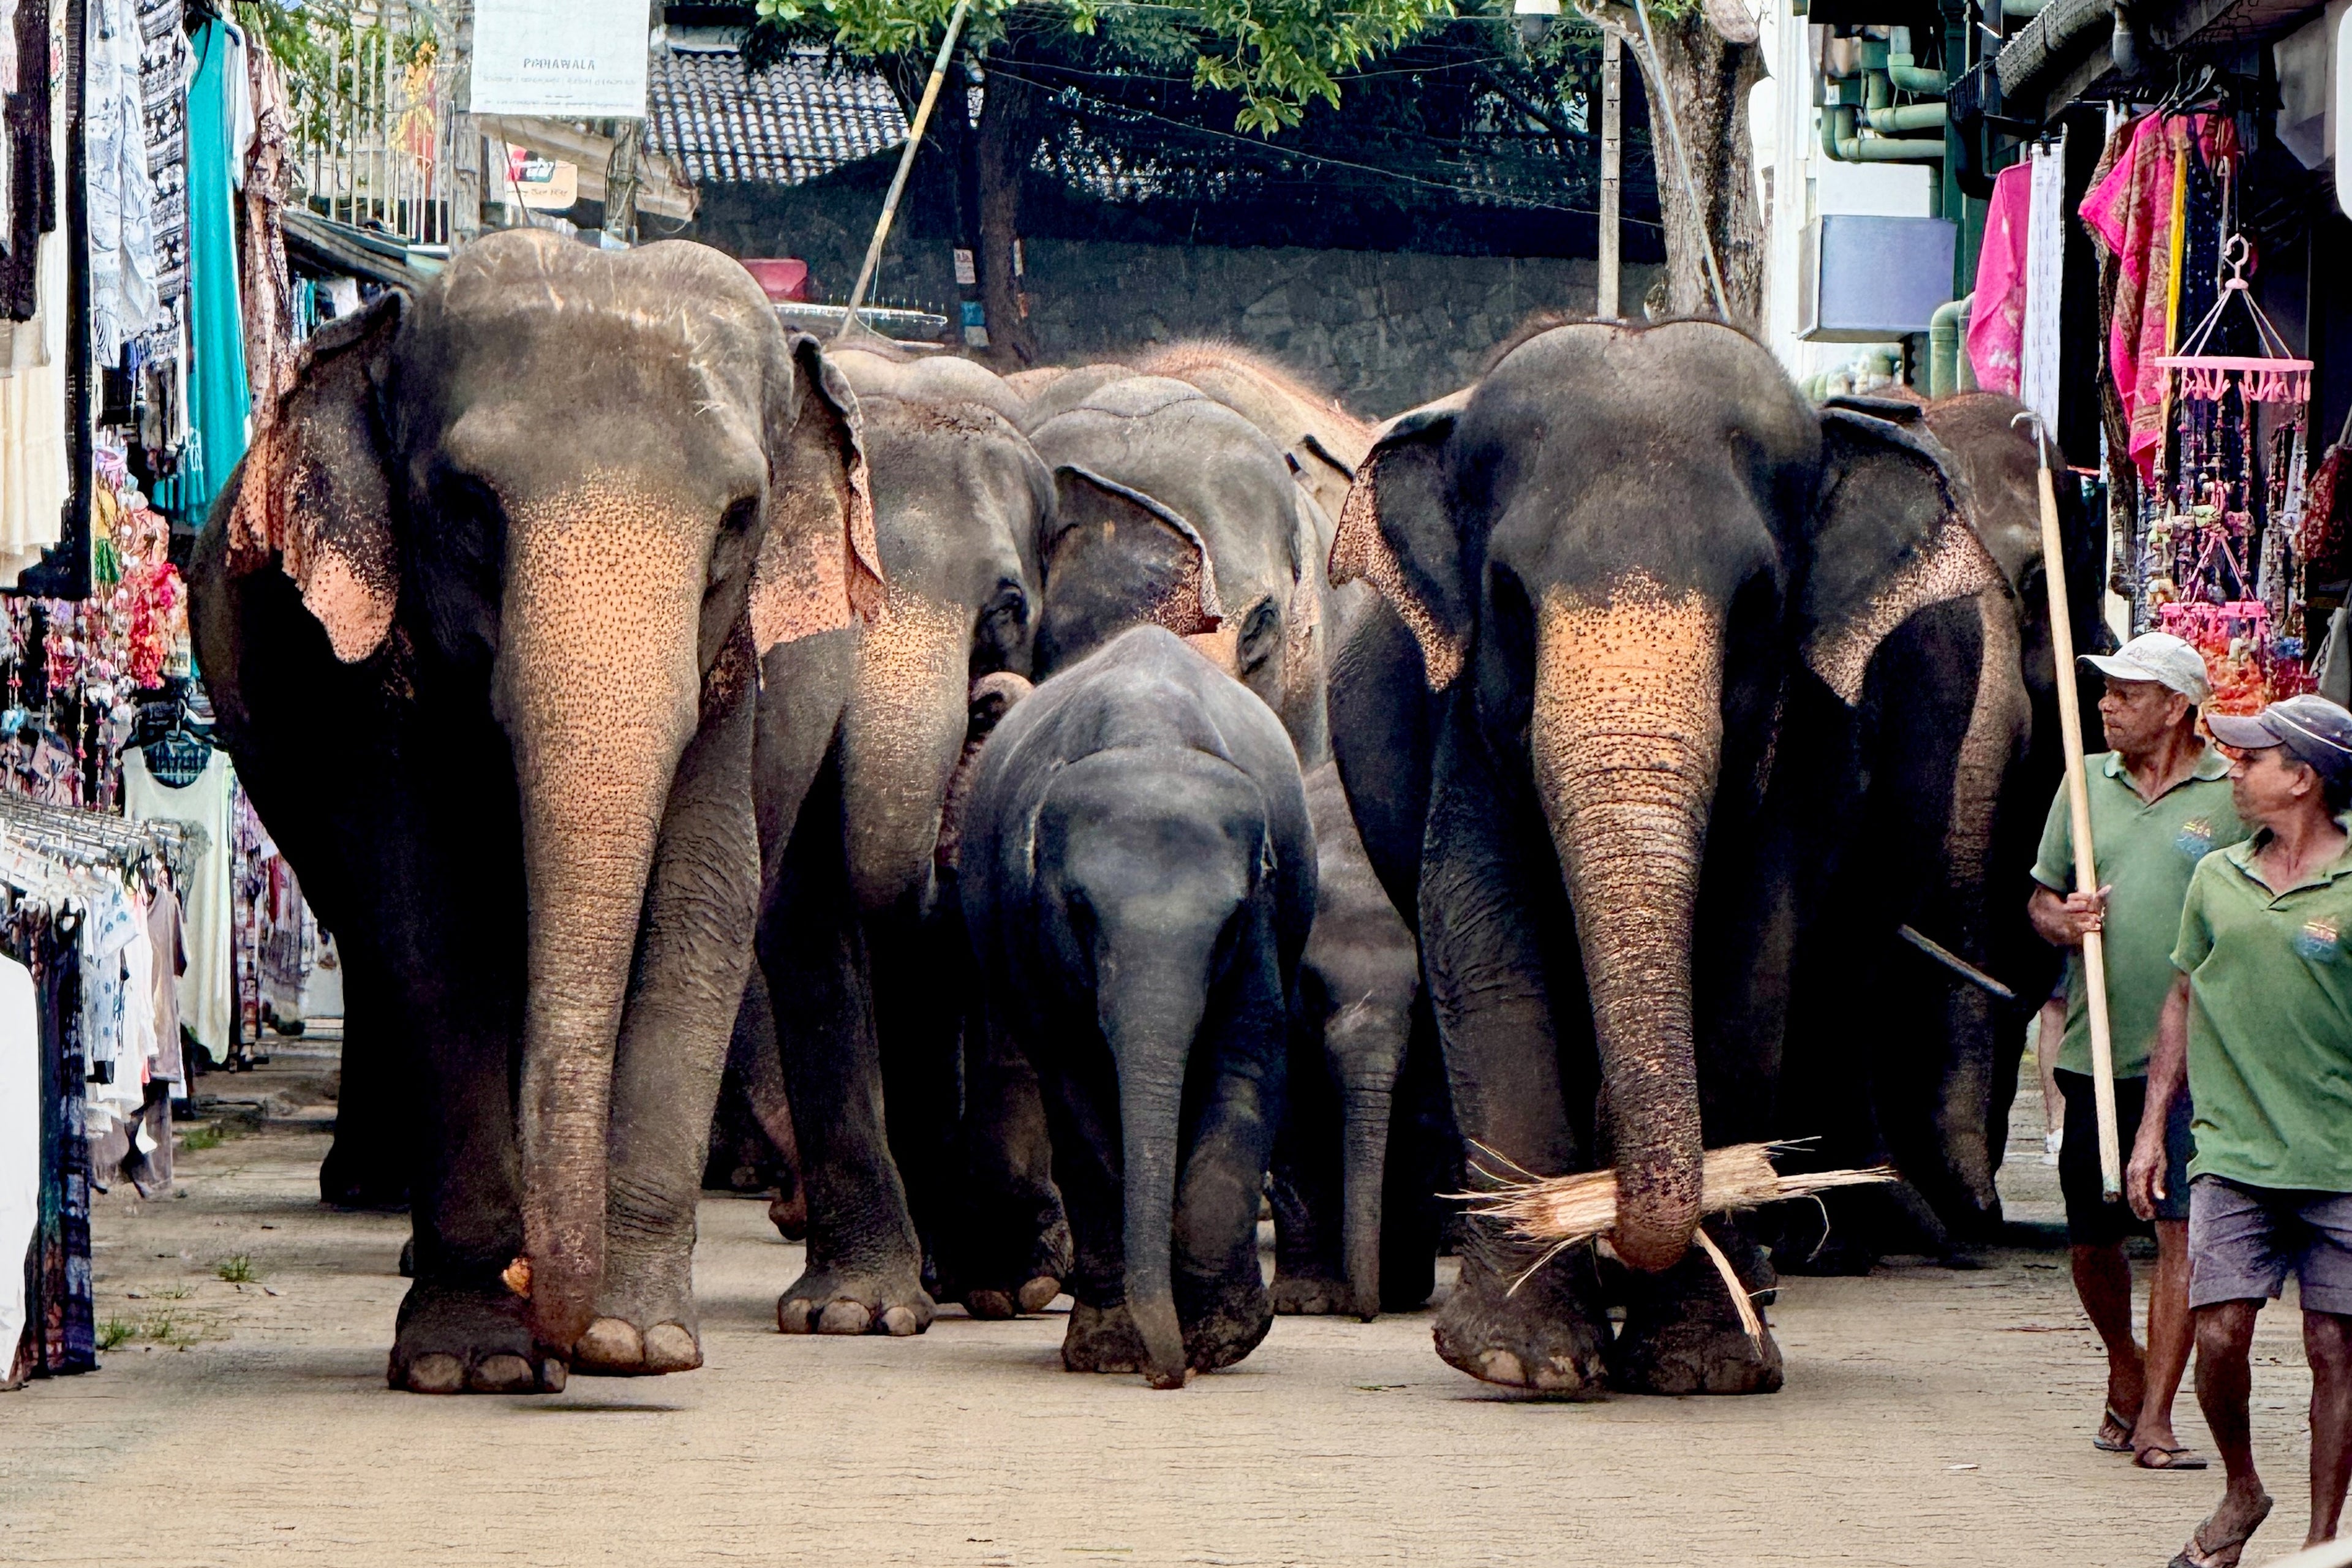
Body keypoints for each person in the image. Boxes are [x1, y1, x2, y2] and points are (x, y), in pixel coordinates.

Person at [2131, 693, 2352, 1568]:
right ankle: (2241, 1487)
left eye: (2252, 759)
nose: (2232, 769)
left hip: (2339, 1157)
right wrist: (2154, 1131)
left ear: (2303, 778)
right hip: (2228, 1149)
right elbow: (2181, 998)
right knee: (2219, 1332)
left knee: (2336, 1347)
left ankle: (2323, 1535)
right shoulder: (2214, 877)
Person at [2029, 632, 2245, 1469]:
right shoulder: (2084, 785)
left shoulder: (2233, 794)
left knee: (2181, 1230)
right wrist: (2065, 919)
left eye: (2127, 692)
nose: (2108, 704)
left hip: (2200, 1056)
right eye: (2106, 690)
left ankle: (2156, 1412)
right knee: (2094, 1239)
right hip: (2097, 1046)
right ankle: (2126, 1362)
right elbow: (2040, 902)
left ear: (2178, 708)